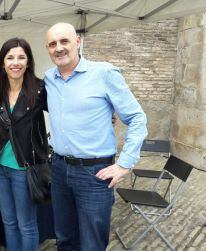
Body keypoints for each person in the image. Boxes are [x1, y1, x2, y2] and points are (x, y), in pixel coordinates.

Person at [44, 22, 148, 250]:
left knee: (92, 243)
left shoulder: (103, 73)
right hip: (60, 169)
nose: (59, 48)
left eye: (64, 41)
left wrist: (123, 164)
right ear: (47, 48)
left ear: (77, 42)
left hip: (94, 174)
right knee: (64, 238)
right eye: (52, 44)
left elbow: (138, 119)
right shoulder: (48, 78)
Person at [0, 38, 48, 251]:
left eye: (21, 57)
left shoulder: (41, 89)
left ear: (29, 62)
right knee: (9, 222)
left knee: (27, 225)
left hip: (25, 169)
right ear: (2, 63)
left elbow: (66, 108)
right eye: (10, 57)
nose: (16, 62)